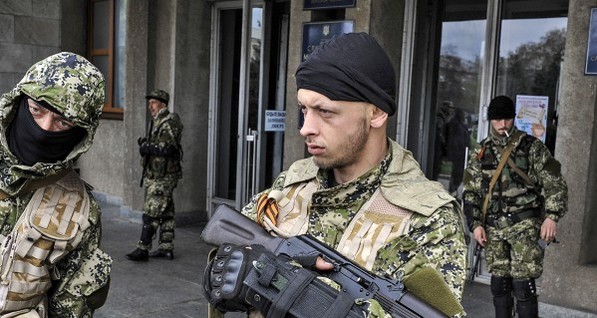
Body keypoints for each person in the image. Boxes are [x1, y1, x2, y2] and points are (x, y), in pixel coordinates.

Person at [204, 32, 467, 317]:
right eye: (304, 109)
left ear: (376, 113)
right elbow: (227, 260)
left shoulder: (430, 218)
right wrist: (228, 279)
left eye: (325, 112)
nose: (306, 127)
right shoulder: (293, 183)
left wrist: (300, 295)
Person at [0, 53, 112, 316]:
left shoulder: (80, 212)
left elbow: (70, 306)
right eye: (36, 110)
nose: (43, 129)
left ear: (80, 135)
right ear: (18, 103)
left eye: (63, 122)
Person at [462, 95, 568, 318]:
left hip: (524, 225)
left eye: (507, 119)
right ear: (490, 120)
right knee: (499, 283)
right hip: (493, 228)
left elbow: (555, 183)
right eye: (498, 119)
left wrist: (552, 216)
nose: (503, 125)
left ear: (513, 118)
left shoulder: (531, 148)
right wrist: (475, 225)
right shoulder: (481, 152)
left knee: (523, 283)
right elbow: (471, 192)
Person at [126, 89, 183, 261]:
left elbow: (169, 148)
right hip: (157, 174)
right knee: (166, 212)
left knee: (151, 211)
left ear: (163, 104)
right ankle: (166, 248)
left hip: (163, 176)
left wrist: (147, 148)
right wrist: (147, 144)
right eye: (149, 102)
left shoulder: (169, 121)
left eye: (153, 102)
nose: (150, 106)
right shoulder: (158, 121)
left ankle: (143, 249)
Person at [445, 108, 470, 195]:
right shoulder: (454, 123)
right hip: (457, 152)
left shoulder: (460, 124)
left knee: (458, 173)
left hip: (460, 152)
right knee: (456, 173)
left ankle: (453, 190)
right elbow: (454, 139)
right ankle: (452, 190)